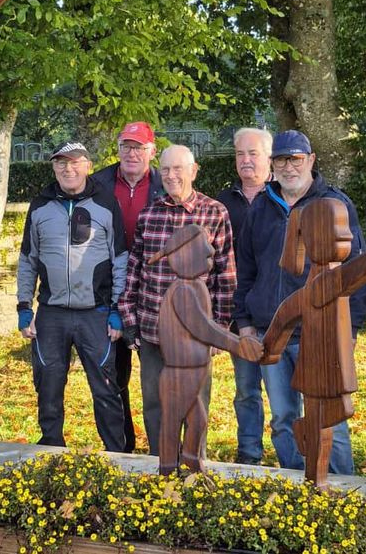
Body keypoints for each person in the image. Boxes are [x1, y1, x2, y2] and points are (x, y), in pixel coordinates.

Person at [232, 130, 366, 475]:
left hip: (319, 335)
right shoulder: (260, 208)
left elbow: (356, 272)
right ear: (272, 164)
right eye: (281, 160)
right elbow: (245, 269)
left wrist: (349, 329)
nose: (289, 167)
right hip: (270, 332)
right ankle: (297, 485)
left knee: (329, 418)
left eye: (296, 159)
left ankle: (340, 489)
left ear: (310, 161)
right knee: (282, 417)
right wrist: (245, 321)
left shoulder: (334, 205)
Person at [117, 145, 235, 456]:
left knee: (196, 402)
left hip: (196, 335)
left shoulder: (215, 213)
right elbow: (134, 271)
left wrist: (219, 328)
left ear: (194, 171)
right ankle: (162, 461)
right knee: (155, 401)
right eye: (166, 169)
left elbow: (225, 275)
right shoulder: (150, 214)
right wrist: (130, 322)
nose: (171, 176)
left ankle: (195, 465)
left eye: (178, 169)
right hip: (154, 329)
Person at [18, 141, 129, 452]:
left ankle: (116, 453)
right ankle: (51, 448)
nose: (68, 169)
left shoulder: (106, 204)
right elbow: (28, 259)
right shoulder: (40, 206)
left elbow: (120, 258)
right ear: (54, 168)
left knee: (106, 389)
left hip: (95, 312)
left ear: (87, 165)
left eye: (74, 162)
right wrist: (24, 307)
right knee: (48, 386)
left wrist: (117, 309)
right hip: (51, 313)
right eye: (61, 163)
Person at [149, 224, 264, 475]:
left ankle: (191, 464)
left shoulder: (195, 286)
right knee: (172, 422)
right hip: (180, 371)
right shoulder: (181, 290)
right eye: (204, 252)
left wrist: (235, 342)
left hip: (193, 369)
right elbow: (203, 328)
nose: (210, 254)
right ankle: (168, 469)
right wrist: (237, 345)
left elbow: (206, 326)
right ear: (184, 255)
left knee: (197, 421)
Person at [92, 121, 163, 453]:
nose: (131, 153)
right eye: (126, 146)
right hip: (110, 289)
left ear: (152, 151)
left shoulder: (167, 183)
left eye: (139, 147)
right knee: (114, 375)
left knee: (158, 377)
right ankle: (121, 446)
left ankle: (163, 450)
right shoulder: (99, 184)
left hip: (154, 292)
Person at [216, 127, 272, 465]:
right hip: (241, 314)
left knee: (288, 395)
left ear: (269, 158)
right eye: (240, 154)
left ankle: (294, 454)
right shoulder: (222, 203)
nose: (246, 160)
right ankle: (249, 452)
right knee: (246, 389)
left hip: (282, 312)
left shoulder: (283, 197)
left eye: (253, 154)